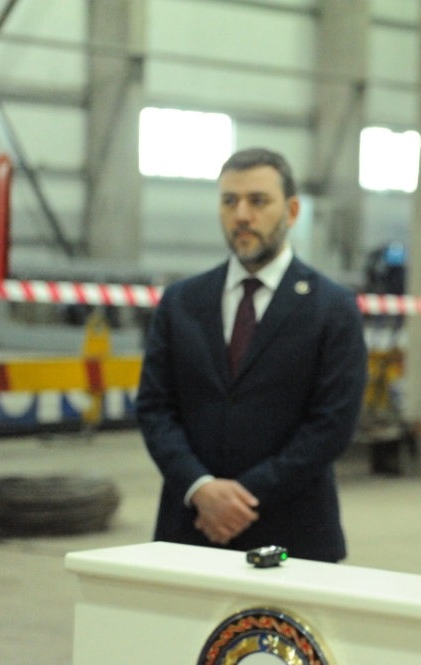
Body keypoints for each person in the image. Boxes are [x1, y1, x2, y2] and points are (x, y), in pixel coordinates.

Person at [137, 148, 368, 561]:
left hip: (294, 532)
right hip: (190, 527)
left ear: (291, 211)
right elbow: (155, 408)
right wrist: (200, 488)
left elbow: (332, 423)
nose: (242, 215)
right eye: (230, 201)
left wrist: (241, 497)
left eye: (258, 201)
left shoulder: (332, 308)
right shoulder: (181, 302)